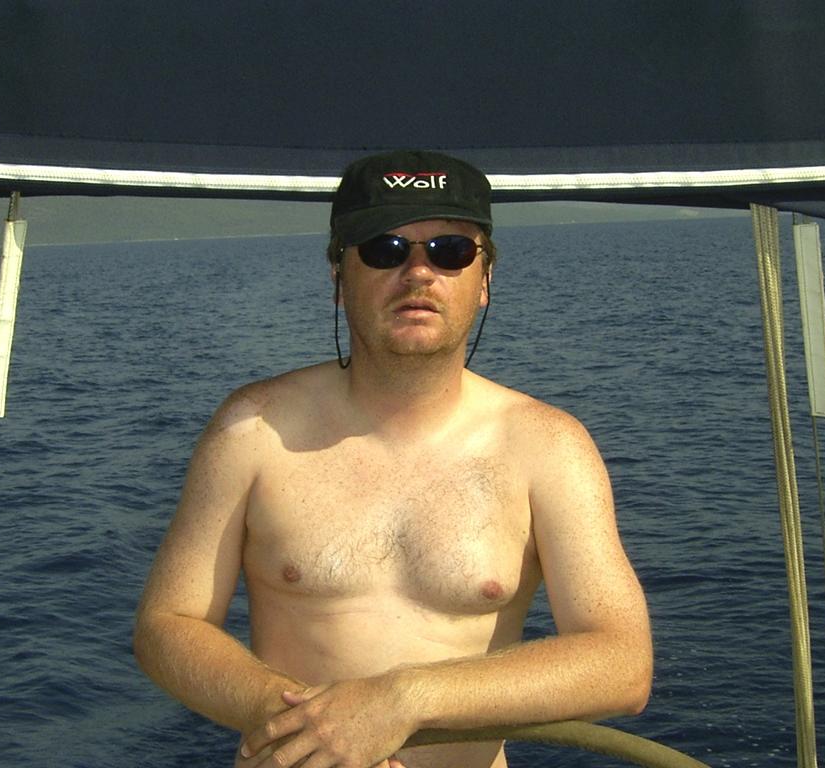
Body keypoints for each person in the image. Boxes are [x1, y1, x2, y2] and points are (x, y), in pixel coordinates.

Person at [133, 150, 653, 768]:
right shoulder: (251, 429)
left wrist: (403, 700)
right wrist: (301, 722)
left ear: (485, 280)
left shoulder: (549, 447)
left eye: (450, 251)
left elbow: (622, 662)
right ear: (338, 276)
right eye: (386, 249)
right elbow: (167, 623)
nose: (418, 273)